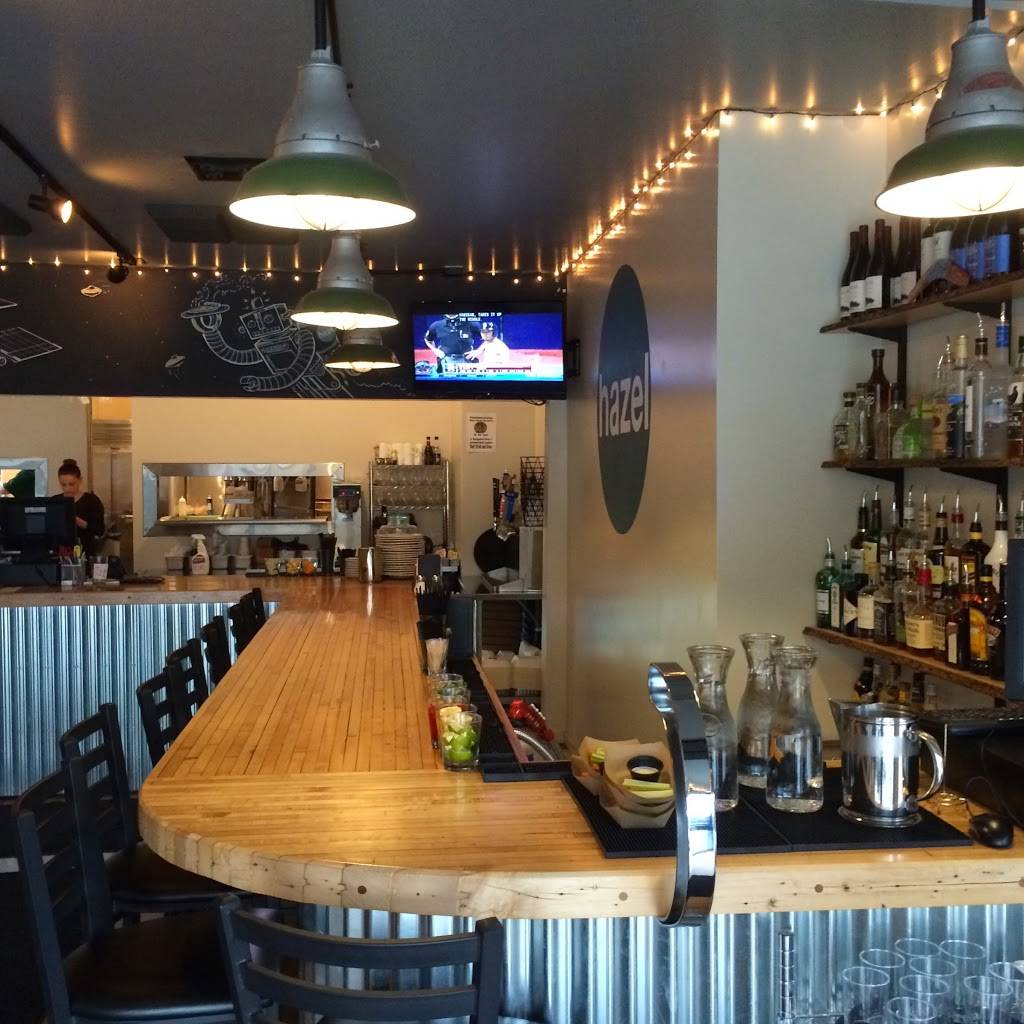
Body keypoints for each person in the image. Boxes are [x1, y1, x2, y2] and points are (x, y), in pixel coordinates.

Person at [54, 458, 105, 557]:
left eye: (71, 484)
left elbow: (100, 530)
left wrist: (81, 523)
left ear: (80, 480)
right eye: (63, 484)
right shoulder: (55, 501)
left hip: (86, 552)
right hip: (61, 553)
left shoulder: (91, 501)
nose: (67, 488)